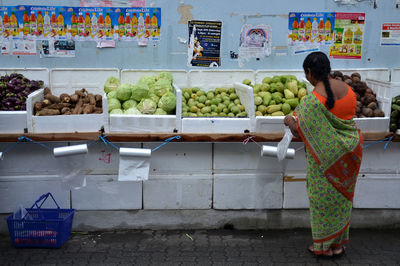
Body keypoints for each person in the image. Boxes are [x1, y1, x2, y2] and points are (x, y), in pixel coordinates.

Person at [284, 51, 363, 257]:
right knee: (342, 200)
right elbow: (345, 121)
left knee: (321, 201)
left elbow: (299, 130)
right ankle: (337, 245)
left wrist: (289, 120)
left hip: (326, 159)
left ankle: (324, 247)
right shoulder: (349, 90)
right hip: (349, 153)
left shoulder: (312, 102)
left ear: (309, 73)